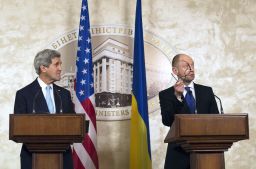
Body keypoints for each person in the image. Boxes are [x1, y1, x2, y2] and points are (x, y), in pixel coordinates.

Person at [14, 49, 75, 169]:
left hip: (63, 157)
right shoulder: (24, 94)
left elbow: (73, 124)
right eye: (56, 64)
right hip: (33, 158)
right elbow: (18, 128)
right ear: (43, 68)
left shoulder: (64, 94)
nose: (60, 68)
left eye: (60, 64)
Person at [159, 54, 219, 169]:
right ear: (175, 70)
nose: (191, 69)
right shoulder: (166, 94)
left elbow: (215, 119)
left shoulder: (207, 91)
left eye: (192, 65)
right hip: (178, 155)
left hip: (206, 154)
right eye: (186, 66)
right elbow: (167, 121)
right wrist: (177, 97)